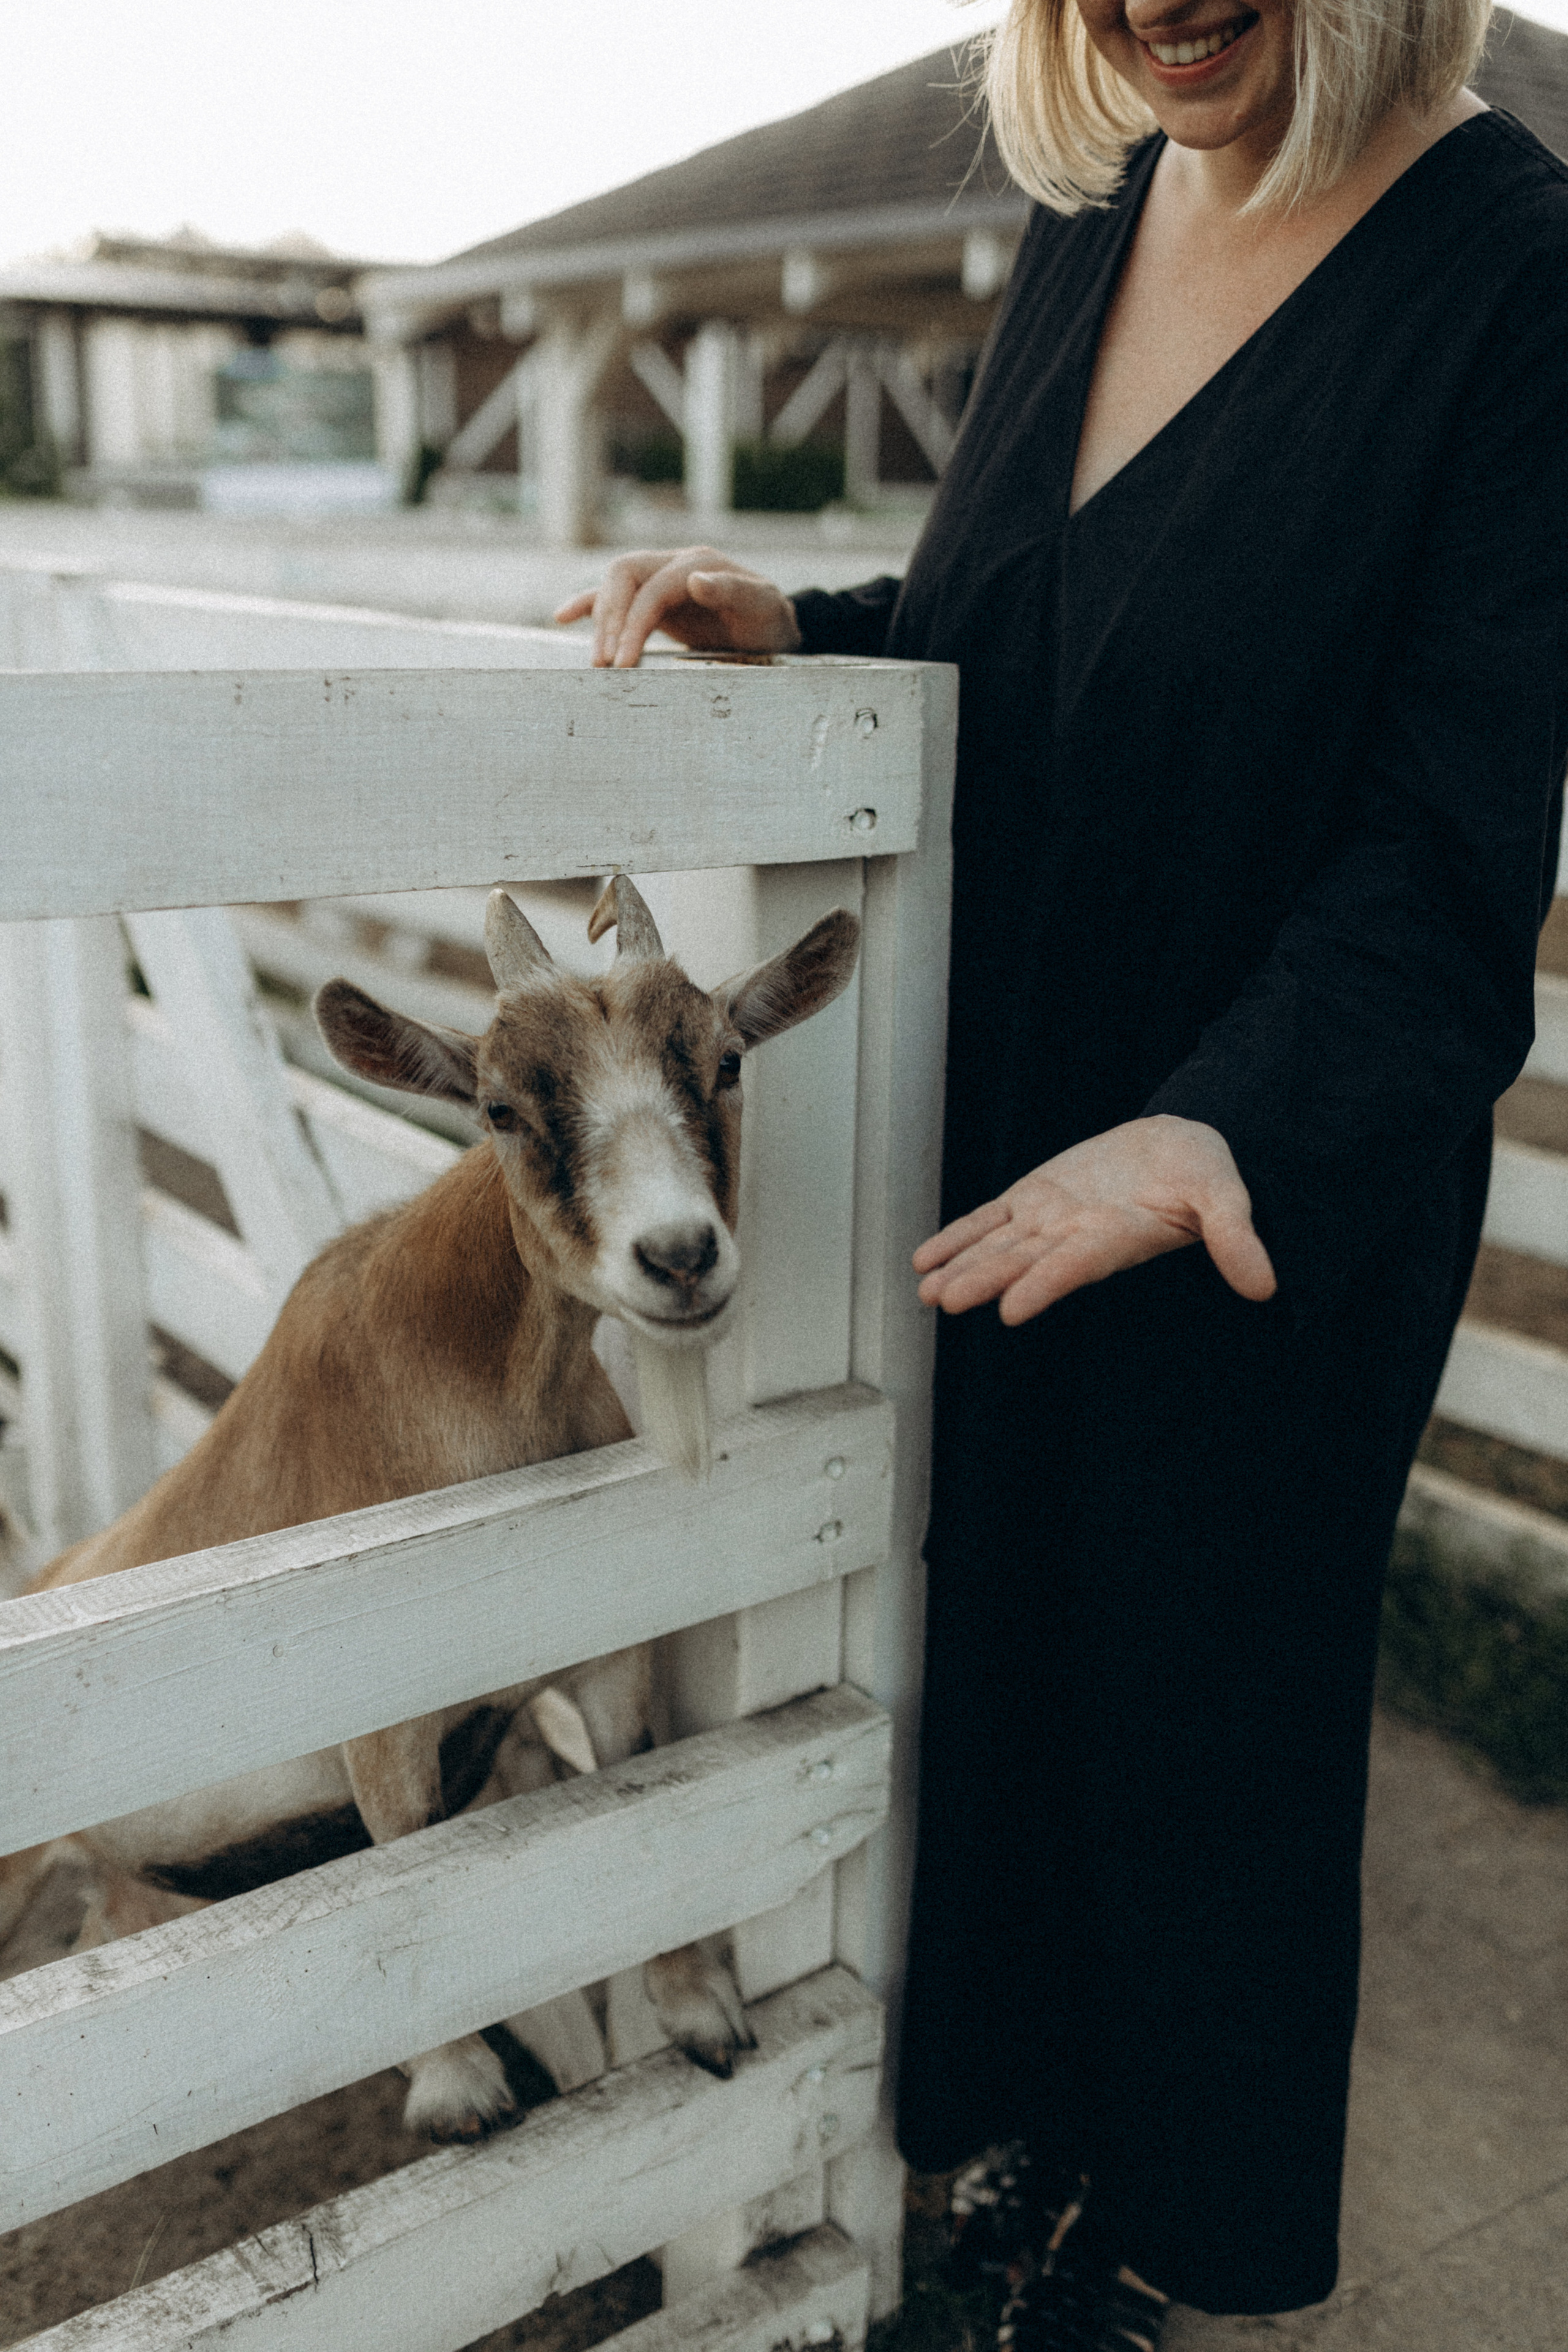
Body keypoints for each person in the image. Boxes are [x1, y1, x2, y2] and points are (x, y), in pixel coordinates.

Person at [558, 0, 1568, 2339]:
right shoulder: (1091, 207)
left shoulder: (1518, 275)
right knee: (995, 1670)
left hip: (1252, 1174)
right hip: (1002, 1127)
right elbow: (1033, 643)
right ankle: (1000, 2202)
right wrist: (803, 631)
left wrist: (1215, 1126)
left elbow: (1447, 852)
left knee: (1199, 1728)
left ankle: (1143, 2271)